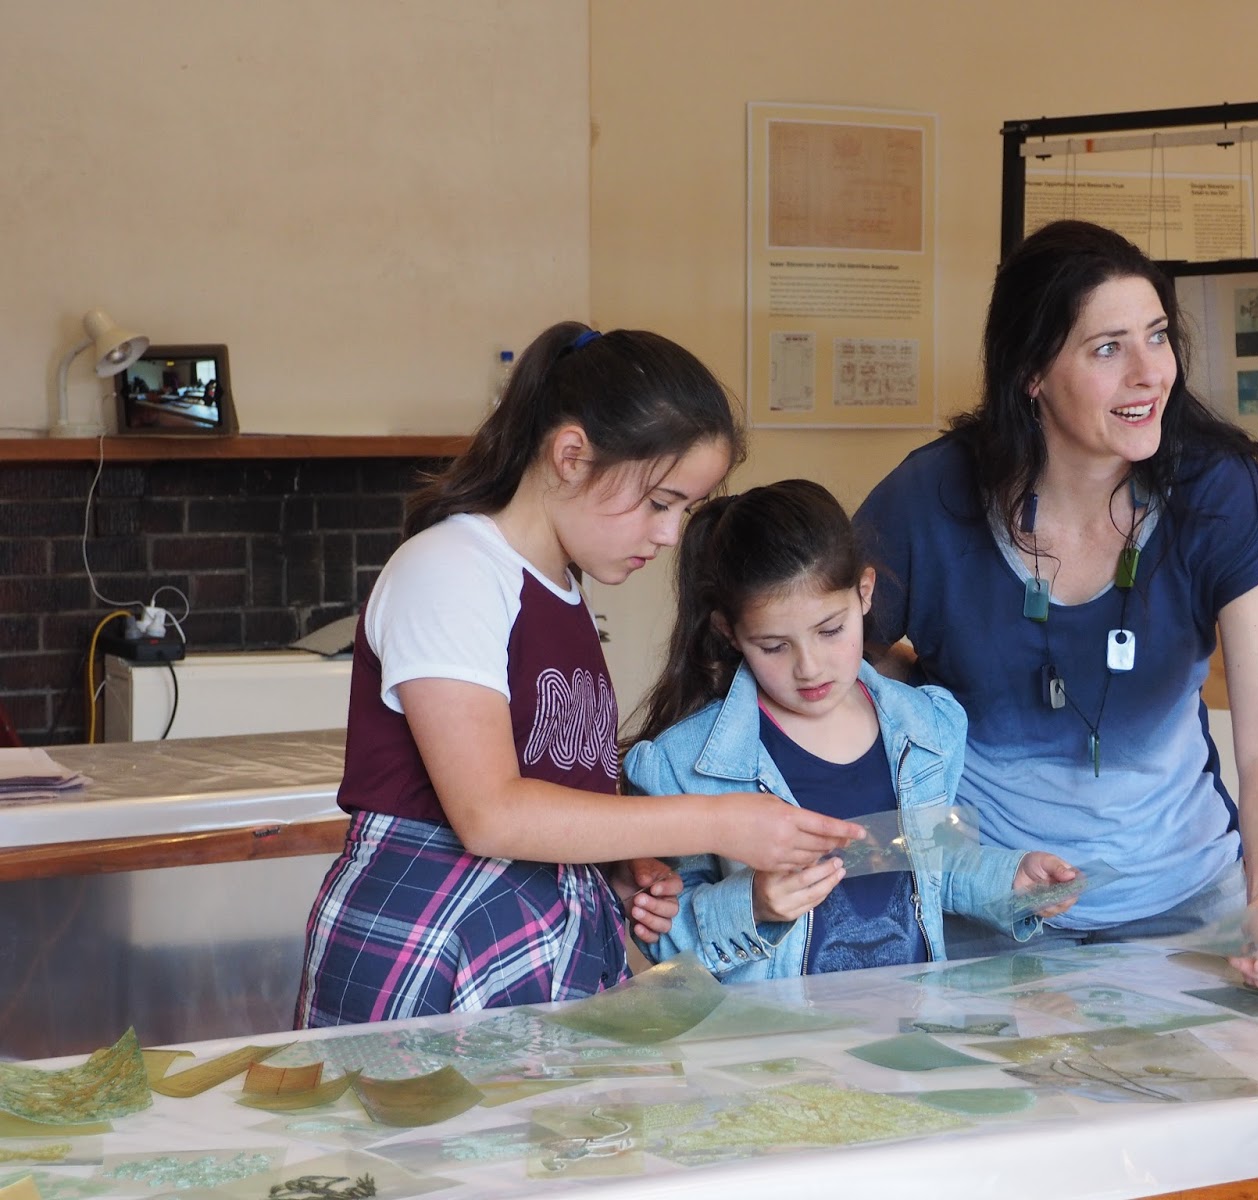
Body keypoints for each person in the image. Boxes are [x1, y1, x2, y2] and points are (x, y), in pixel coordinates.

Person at [295, 324, 862, 1027]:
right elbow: (491, 814)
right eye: (660, 503)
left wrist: (616, 866)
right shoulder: (452, 569)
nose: (670, 534)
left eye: (684, 510)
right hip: (435, 936)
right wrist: (719, 821)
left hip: (533, 938)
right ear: (571, 456)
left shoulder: (563, 589)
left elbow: (553, 788)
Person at [853, 220, 1258, 989]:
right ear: (1031, 373)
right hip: (992, 905)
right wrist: (923, 702)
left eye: (1158, 337)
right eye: (1107, 349)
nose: (1149, 374)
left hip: (1188, 902)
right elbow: (821, 652)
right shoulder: (929, 498)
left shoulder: (1221, 493)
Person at [622, 479, 1079, 983]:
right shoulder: (683, 763)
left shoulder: (928, 729)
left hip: (909, 1023)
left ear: (864, 593)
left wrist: (1010, 880)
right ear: (730, 633)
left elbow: (933, 865)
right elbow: (661, 934)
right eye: (774, 646)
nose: (809, 667)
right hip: (778, 1032)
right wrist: (752, 904)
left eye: (830, 630)